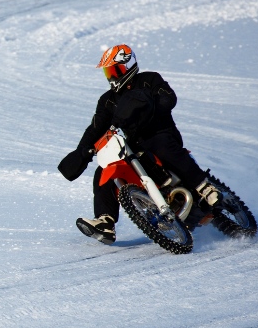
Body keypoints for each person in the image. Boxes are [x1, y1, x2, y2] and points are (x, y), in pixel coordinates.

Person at [57, 44, 220, 245]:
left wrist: (152, 106)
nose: (112, 76)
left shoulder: (149, 80)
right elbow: (95, 128)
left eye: (116, 70)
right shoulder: (108, 100)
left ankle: (204, 187)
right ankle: (105, 221)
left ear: (129, 65)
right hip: (132, 147)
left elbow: (168, 98)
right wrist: (82, 151)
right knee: (104, 171)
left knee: (161, 145)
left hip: (160, 134)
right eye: (108, 72)